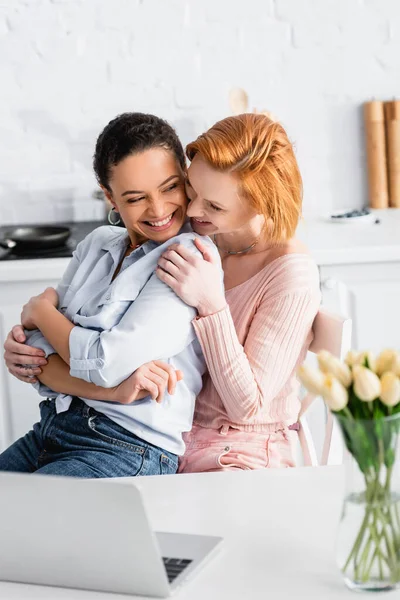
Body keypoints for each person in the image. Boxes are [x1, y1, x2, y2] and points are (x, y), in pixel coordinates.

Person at [4, 113, 320, 472]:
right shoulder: (198, 237)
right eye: (192, 190)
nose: (192, 211)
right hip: (142, 431)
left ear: (258, 204)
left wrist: (211, 305)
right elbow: (58, 353)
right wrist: (33, 352)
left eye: (213, 205)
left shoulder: (206, 256)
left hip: (224, 448)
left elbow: (245, 406)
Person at [0, 112, 222, 478]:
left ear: (185, 175)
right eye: (135, 198)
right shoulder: (97, 243)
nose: (159, 210)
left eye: (169, 187)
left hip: (127, 447)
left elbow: (106, 364)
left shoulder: (188, 256)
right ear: (110, 197)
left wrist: (42, 312)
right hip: (52, 429)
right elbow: (39, 357)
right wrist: (113, 392)